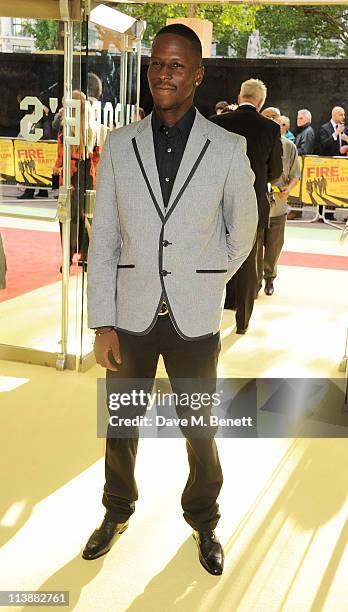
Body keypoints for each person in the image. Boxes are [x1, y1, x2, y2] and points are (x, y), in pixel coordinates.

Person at [84, 24, 258, 575]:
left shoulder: (229, 148)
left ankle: (204, 519)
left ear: (198, 76)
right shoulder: (119, 145)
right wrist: (102, 322)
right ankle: (116, 511)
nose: (164, 73)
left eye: (177, 65)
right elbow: (104, 236)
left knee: (199, 427)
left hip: (194, 314)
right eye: (157, 63)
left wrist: (205, 279)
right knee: (121, 424)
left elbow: (243, 231)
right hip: (129, 314)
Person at [210, 78, 282, 334]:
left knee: (214, 255)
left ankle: (211, 316)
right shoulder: (271, 129)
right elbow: (276, 172)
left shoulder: (217, 123)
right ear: (261, 103)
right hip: (253, 202)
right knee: (250, 261)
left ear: (239, 97)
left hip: (216, 201)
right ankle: (243, 321)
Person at [257, 108, 300, 296]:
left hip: (278, 205)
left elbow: (296, 174)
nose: (273, 121)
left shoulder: (289, 146)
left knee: (274, 247)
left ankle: (269, 278)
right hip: (257, 204)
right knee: (255, 247)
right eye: (268, 118)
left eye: (276, 119)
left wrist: (288, 189)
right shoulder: (254, 143)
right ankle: (255, 281)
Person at [288, 109, 315, 220]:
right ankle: (296, 210)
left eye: (301, 118)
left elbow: (305, 149)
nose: (298, 120)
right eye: (298, 117)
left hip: (303, 164)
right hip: (300, 163)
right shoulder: (303, 131)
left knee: (298, 187)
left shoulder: (307, 132)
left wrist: (291, 151)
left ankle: (296, 211)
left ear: (307, 119)